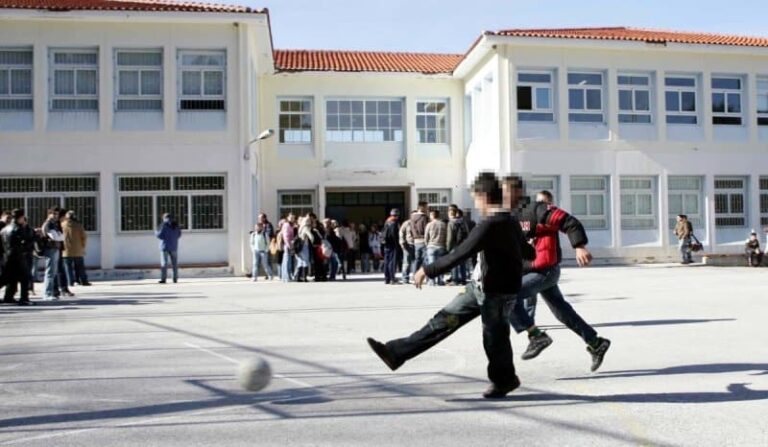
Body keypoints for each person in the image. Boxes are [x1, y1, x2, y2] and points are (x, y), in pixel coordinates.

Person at [367, 172, 535, 399]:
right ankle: (395, 352)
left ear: (483, 196)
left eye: (476, 199)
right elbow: (528, 252)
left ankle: (505, 380)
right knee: (443, 321)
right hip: (479, 289)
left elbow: (460, 253)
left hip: (497, 293)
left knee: (495, 339)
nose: (476, 205)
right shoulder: (508, 222)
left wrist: (427, 270)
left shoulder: (492, 224)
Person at [503, 182, 611, 372]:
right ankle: (596, 343)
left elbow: (570, 223)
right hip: (532, 270)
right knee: (562, 312)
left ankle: (536, 336)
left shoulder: (537, 210)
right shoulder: (512, 217)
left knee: (507, 295)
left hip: (545, 271)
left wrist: (579, 246)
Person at [1, 209, 35, 306]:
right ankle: (24, 298)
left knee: (8, 278)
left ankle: (9, 297)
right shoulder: (19, 229)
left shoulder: (4, 229)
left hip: (7, 256)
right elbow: (24, 244)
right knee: (24, 278)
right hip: (18, 256)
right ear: (21, 217)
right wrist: (32, 239)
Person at [41, 207, 65, 300]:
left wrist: (59, 236)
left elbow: (61, 237)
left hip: (55, 248)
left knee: (53, 272)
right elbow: (55, 237)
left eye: (57, 214)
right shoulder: (48, 224)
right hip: (50, 248)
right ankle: (47, 294)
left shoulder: (54, 223)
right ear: (49, 214)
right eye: (54, 214)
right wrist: (58, 236)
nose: (56, 216)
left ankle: (50, 292)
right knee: (50, 272)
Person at [62, 211, 90, 287]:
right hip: (78, 249)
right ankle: (83, 281)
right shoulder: (79, 225)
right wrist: (83, 246)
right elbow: (84, 237)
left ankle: (70, 282)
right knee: (80, 267)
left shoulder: (62, 225)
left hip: (66, 250)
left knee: (68, 268)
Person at [155, 213, 182, 284]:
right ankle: (175, 279)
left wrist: (156, 232)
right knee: (174, 264)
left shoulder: (163, 225)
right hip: (174, 246)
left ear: (164, 218)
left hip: (164, 246)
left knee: (164, 263)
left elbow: (159, 235)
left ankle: (163, 279)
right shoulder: (176, 225)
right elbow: (179, 234)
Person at [446, 205, 469, 286]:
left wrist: (448, 248)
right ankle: (463, 279)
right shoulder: (463, 222)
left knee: (454, 263)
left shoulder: (451, 223)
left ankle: (455, 280)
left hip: (454, 245)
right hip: (462, 244)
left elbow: (450, 237)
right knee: (462, 263)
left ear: (450, 213)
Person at [424, 209, 447, 286]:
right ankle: (440, 280)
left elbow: (426, 237)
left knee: (431, 264)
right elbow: (446, 236)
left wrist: (427, 244)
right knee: (440, 264)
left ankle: (432, 281)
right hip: (441, 246)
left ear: (432, 216)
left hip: (431, 246)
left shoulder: (429, 225)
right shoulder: (443, 224)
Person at [410, 202, 429, 277]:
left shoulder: (412, 217)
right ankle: (425, 276)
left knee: (417, 259)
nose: (427, 208)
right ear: (422, 207)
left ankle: (415, 275)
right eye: (426, 207)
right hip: (424, 240)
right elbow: (426, 229)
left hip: (416, 241)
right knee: (425, 259)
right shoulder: (424, 217)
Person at [382, 209, 400, 284]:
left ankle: (387, 278)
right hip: (392, 244)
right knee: (392, 262)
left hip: (386, 244)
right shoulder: (393, 222)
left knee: (386, 261)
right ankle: (392, 278)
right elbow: (394, 235)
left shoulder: (387, 221)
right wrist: (397, 244)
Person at [294, 216, 312, 282]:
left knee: (300, 262)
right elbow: (311, 236)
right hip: (304, 246)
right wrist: (313, 241)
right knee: (305, 261)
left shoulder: (300, 227)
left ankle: (298, 277)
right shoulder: (306, 228)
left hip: (299, 247)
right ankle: (304, 277)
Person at [399, 212, 415, 284]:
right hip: (408, 244)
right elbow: (401, 233)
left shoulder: (420, 222)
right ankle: (405, 278)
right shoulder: (406, 223)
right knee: (407, 263)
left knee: (416, 262)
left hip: (418, 244)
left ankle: (416, 277)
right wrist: (402, 242)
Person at [280, 213, 296, 282]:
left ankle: (285, 277)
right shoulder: (287, 225)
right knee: (287, 261)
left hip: (289, 244)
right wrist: (289, 245)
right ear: (288, 217)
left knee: (287, 261)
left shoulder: (290, 225)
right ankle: (286, 277)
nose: (292, 219)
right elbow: (286, 236)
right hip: (287, 245)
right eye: (291, 217)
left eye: (293, 218)